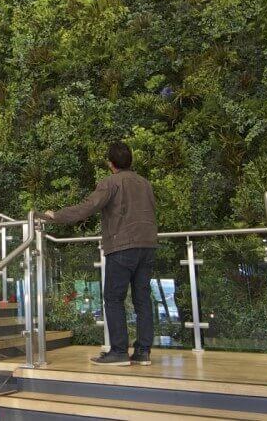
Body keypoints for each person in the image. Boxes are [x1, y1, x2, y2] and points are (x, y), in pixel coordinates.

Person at [40, 142, 158, 366]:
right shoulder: (145, 183)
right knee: (142, 299)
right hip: (148, 245)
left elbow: (87, 208)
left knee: (113, 298)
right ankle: (143, 351)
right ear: (130, 161)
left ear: (110, 163)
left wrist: (55, 215)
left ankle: (119, 351)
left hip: (122, 246)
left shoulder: (111, 183)